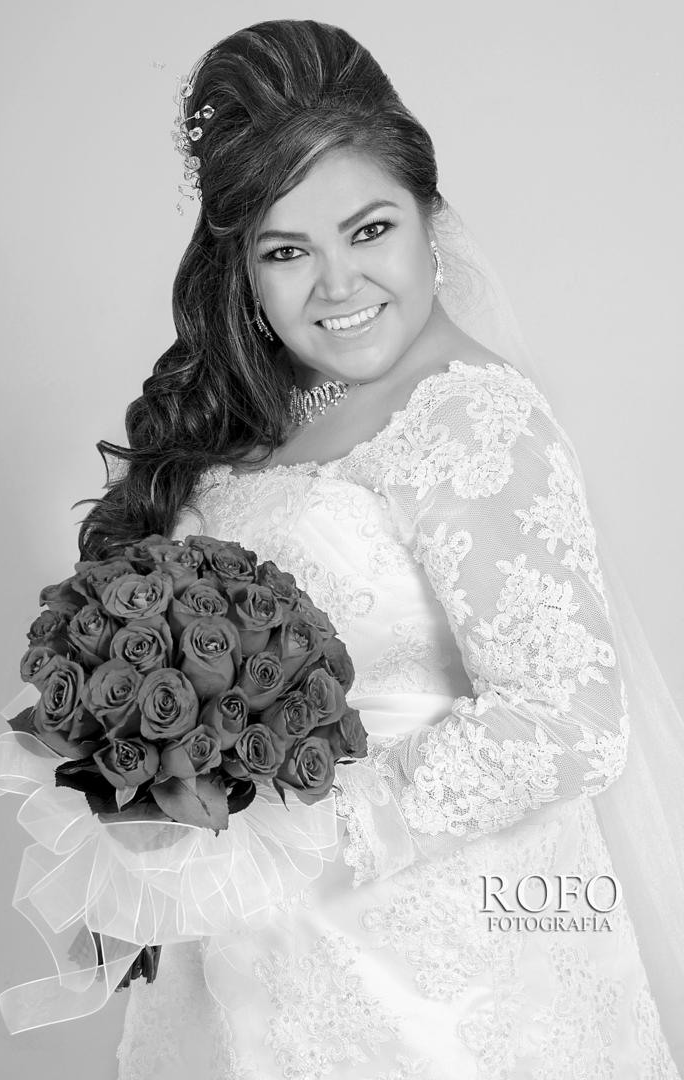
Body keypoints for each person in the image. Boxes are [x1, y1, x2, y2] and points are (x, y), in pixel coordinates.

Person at [71, 18, 682, 1079]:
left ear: (430, 219)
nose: (337, 285)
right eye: (287, 252)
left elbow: (570, 718)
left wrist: (299, 830)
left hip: (436, 988)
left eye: (369, 230)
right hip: (255, 958)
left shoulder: (472, 415)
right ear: (245, 271)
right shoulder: (274, 412)